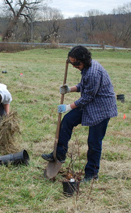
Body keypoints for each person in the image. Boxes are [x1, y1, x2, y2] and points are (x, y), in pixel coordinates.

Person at [41, 45, 118, 182]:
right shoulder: (87, 68)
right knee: (67, 121)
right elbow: (84, 86)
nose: (74, 66)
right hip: (91, 105)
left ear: (84, 60)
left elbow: (88, 97)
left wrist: (68, 106)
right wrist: (69, 89)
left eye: (76, 63)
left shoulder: (93, 72)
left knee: (94, 142)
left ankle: (91, 174)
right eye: (72, 63)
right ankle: (60, 154)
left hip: (101, 109)